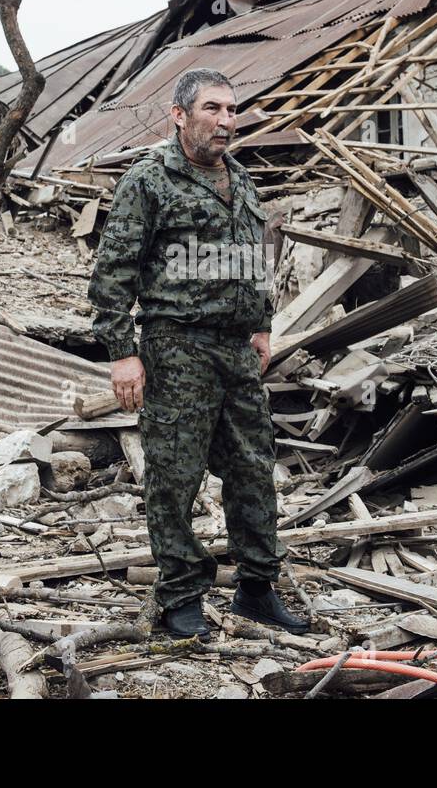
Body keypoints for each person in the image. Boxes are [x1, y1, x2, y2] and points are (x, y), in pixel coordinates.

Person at [87, 68, 310, 639]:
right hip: (176, 346)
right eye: (213, 109)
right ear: (180, 115)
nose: (226, 121)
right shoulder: (150, 181)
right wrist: (122, 352)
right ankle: (181, 595)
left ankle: (257, 589)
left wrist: (261, 325)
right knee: (175, 475)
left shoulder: (242, 180)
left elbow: (256, 259)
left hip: (236, 352)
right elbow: (113, 272)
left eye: (232, 110)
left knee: (253, 470)